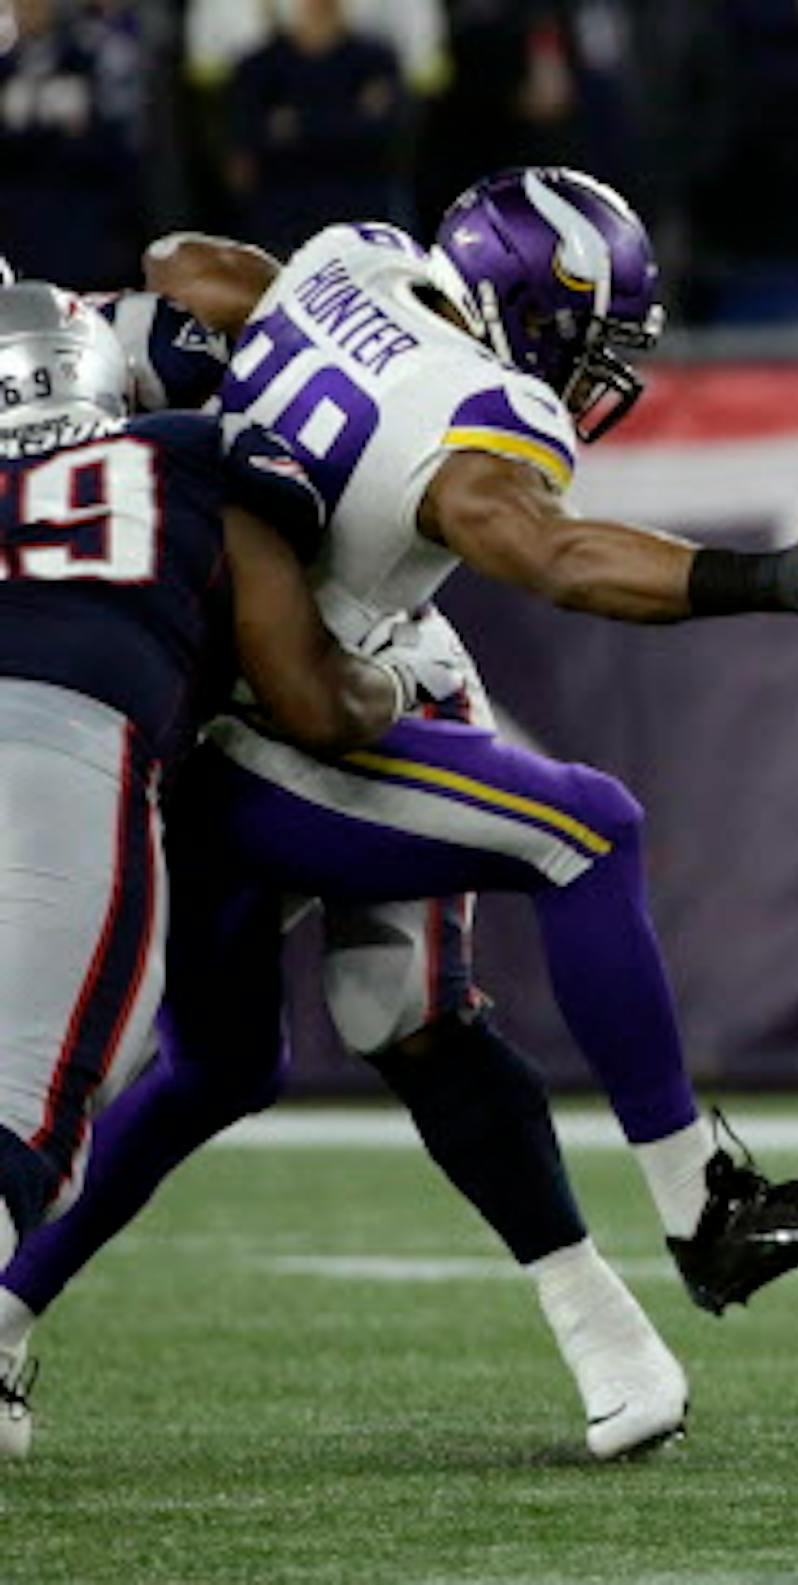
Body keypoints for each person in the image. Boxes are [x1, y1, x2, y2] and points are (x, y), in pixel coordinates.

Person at [0, 170, 798, 1461]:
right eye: (593, 337)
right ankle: (701, 1204)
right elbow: (552, 554)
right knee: (585, 830)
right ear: (531, 311)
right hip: (280, 708)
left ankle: (3, 1318)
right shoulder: (482, 409)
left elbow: (189, 263)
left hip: (200, 690)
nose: (601, 372)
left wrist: (160, 340)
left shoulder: (353, 258)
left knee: (251, 1053)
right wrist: (770, 574)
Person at [0, 275, 419, 1431]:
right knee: (32, 1108)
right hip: (61, 754)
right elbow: (312, 703)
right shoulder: (191, 447)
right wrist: (399, 681)